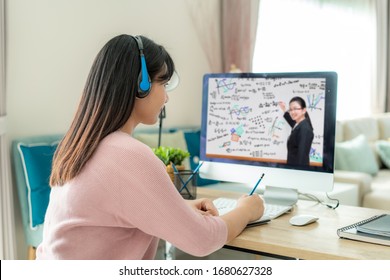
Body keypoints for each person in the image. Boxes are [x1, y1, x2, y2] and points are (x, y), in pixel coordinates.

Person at [36, 34, 264, 260]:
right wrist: (246, 210)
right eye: (163, 84)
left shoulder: (79, 144)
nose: (166, 97)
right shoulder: (126, 154)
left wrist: (179, 210)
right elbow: (202, 240)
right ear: (141, 85)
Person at [278, 96, 314, 166]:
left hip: (298, 171)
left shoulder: (305, 129)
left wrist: (297, 174)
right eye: (290, 109)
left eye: (295, 109)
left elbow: (302, 157)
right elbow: (292, 123)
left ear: (304, 110)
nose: (292, 112)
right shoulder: (299, 124)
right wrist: (284, 110)